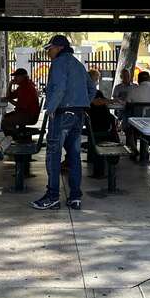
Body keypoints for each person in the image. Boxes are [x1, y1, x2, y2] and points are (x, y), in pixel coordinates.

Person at [31, 34, 95, 211]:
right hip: (77, 114)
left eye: (49, 49)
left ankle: (52, 196)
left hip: (61, 114)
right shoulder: (77, 64)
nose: (48, 52)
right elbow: (92, 88)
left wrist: (50, 109)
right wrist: (82, 103)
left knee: (53, 154)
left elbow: (60, 87)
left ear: (59, 48)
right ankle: (75, 197)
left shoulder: (59, 63)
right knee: (74, 155)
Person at [1, 68, 40, 136]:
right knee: (5, 117)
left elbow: (21, 105)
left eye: (16, 76)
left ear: (22, 77)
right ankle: (16, 134)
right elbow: (10, 96)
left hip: (28, 115)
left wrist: (9, 100)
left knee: (5, 121)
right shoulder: (22, 86)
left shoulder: (27, 87)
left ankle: (16, 135)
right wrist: (10, 85)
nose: (14, 78)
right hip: (24, 113)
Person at [87, 69, 118, 141]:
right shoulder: (90, 92)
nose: (97, 82)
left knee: (112, 118)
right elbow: (97, 101)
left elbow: (103, 100)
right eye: (96, 80)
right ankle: (113, 140)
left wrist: (111, 101)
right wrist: (111, 101)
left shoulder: (95, 92)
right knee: (112, 120)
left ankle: (114, 139)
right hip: (97, 120)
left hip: (97, 119)